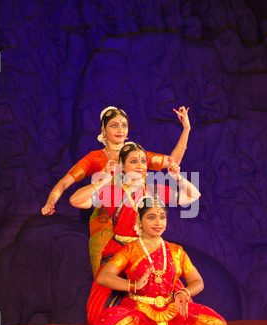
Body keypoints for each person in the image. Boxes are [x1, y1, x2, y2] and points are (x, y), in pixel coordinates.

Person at [69, 142, 200, 325]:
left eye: (142, 161)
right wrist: (105, 180)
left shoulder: (155, 190)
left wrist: (177, 177)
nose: (140, 165)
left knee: (160, 303)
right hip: (119, 251)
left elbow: (192, 196)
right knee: (103, 306)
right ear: (122, 164)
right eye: (133, 161)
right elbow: (76, 201)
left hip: (150, 252)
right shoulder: (113, 191)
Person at [41, 106, 192, 276]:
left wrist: (186, 129)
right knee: (109, 284)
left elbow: (173, 162)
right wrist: (50, 201)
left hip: (139, 225)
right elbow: (64, 182)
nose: (120, 130)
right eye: (114, 125)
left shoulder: (137, 155)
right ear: (103, 130)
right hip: (105, 227)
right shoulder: (94, 158)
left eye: (124, 125)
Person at [90, 196, 228, 325]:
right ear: (139, 221)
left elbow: (197, 281)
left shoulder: (176, 251)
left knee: (215, 324)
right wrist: (133, 285)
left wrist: (183, 292)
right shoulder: (130, 250)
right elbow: (103, 276)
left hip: (171, 312)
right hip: (139, 312)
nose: (158, 222)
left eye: (162, 217)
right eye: (151, 217)